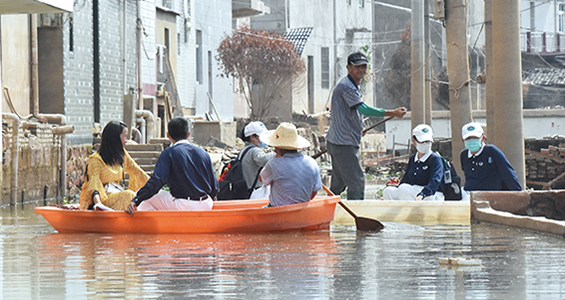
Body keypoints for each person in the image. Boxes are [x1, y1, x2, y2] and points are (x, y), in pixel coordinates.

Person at [326, 51, 407, 200]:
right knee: (357, 182)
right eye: (357, 67)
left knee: (339, 183)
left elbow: (349, 113)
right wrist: (392, 113)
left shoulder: (352, 86)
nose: (361, 70)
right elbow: (364, 109)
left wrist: (358, 129)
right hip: (344, 143)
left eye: (364, 66)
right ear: (348, 68)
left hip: (338, 141)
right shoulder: (346, 87)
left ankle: (328, 210)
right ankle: (356, 215)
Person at [125, 117, 218, 215]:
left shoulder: (168, 153)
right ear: (188, 135)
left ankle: (160, 226)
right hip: (206, 204)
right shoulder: (203, 153)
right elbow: (214, 187)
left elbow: (157, 181)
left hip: (183, 205)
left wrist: (136, 200)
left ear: (168, 135)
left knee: (143, 198)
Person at [79, 121, 149, 211]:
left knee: (135, 197)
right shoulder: (96, 159)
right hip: (98, 200)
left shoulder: (122, 154)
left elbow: (137, 171)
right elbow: (93, 183)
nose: (126, 141)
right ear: (114, 138)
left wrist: (154, 186)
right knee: (129, 195)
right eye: (124, 136)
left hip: (113, 194)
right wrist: (98, 203)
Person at [259, 122, 322, 207]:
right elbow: (314, 192)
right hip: (302, 210)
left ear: (277, 147)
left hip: (278, 211)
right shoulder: (312, 163)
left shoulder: (274, 164)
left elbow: (262, 179)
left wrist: (276, 157)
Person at [460, 122, 522, 200]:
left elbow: (508, 173)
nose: (471, 141)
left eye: (475, 138)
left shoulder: (491, 152)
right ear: (463, 141)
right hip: (469, 195)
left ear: (482, 138)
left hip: (490, 197)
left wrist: (519, 195)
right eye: (468, 138)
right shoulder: (464, 155)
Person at [383, 124, 445, 201]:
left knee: (403, 189)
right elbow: (406, 179)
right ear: (414, 141)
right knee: (388, 191)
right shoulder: (413, 159)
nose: (425, 144)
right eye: (422, 141)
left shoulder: (435, 159)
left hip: (431, 194)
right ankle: (395, 212)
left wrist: (423, 194)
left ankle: (411, 212)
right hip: (413, 192)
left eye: (428, 141)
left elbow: (435, 181)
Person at [240, 121, 275, 198]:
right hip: (255, 192)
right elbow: (264, 160)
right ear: (252, 137)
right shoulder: (254, 150)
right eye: (261, 136)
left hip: (246, 189)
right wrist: (278, 151)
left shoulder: (244, 150)